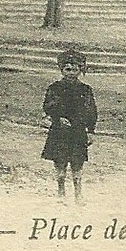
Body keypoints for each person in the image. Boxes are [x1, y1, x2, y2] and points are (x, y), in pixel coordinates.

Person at [42, 47, 98, 202]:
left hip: (78, 131)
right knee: (60, 163)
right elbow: (49, 105)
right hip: (60, 129)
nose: (71, 73)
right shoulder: (55, 88)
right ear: (62, 70)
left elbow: (91, 109)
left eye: (75, 69)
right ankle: (61, 192)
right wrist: (57, 117)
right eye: (67, 69)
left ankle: (78, 194)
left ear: (80, 71)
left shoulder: (85, 90)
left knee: (77, 164)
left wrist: (91, 131)